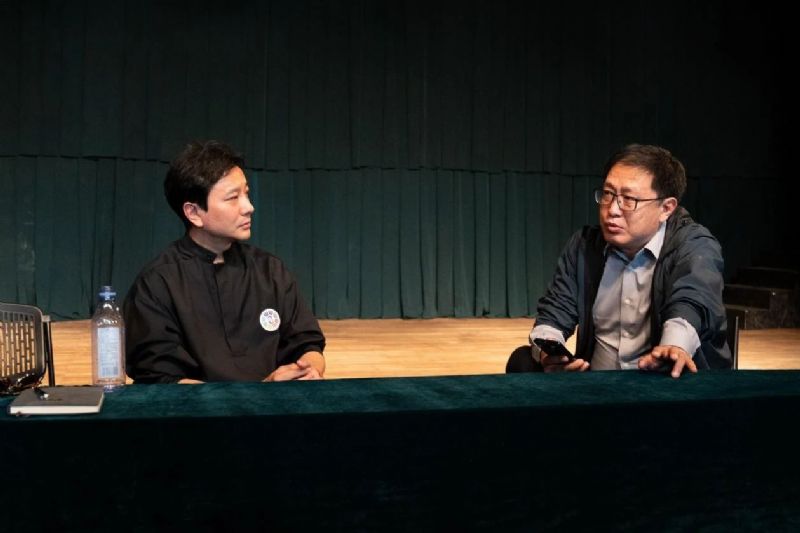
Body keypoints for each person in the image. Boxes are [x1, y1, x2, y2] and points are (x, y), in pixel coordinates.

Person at [507, 144, 731, 378]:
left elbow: (693, 297)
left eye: (629, 199)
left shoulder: (694, 244)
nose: (612, 209)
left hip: (664, 384)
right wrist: (549, 352)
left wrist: (674, 346)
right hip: (597, 385)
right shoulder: (585, 246)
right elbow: (555, 310)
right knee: (523, 361)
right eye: (608, 194)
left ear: (666, 208)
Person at [123, 140, 325, 383]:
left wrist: (307, 370)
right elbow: (162, 380)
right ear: (194, 213)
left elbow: (308, 345)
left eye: (246, 194)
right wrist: (260, 393)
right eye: (233, 198)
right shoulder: (157, 284)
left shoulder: (270, 271)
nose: (249, 207)